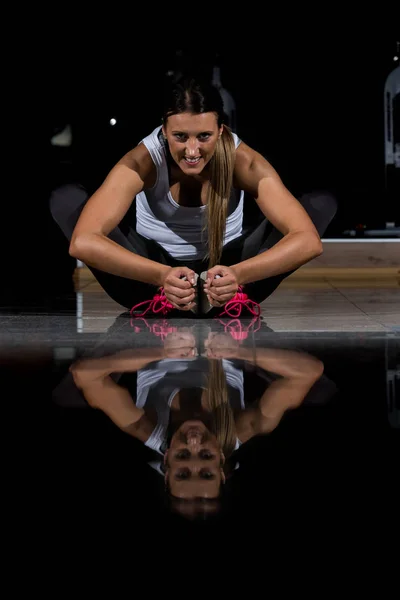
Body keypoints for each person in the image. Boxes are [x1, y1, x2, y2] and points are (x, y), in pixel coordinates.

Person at [50, 76, 337, 317]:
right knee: (66, 199)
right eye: (180, 137)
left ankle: (228, 298)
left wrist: (239, 275)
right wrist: (161, 276)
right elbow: (83, 241)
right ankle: (163, 299)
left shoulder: (243, 160)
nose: (191, 151)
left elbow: (308, 240)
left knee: (319, 204)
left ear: (220, 130)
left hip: (229, 277)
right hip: (153, 282)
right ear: (164, 131)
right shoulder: (142, 161)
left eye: (203, 136)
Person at [60, 321, 333, 519]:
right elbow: (309, 372)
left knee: (71, 391)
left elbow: (85, 373)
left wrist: (160, 352)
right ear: (222, 463)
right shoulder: (245, 427)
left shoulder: (145, 427)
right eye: (205, 460)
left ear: (166, 463)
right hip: (227, 318)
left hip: (154, 321)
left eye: (182, 463)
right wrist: (241, 353)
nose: (193, 443)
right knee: (320, 389)